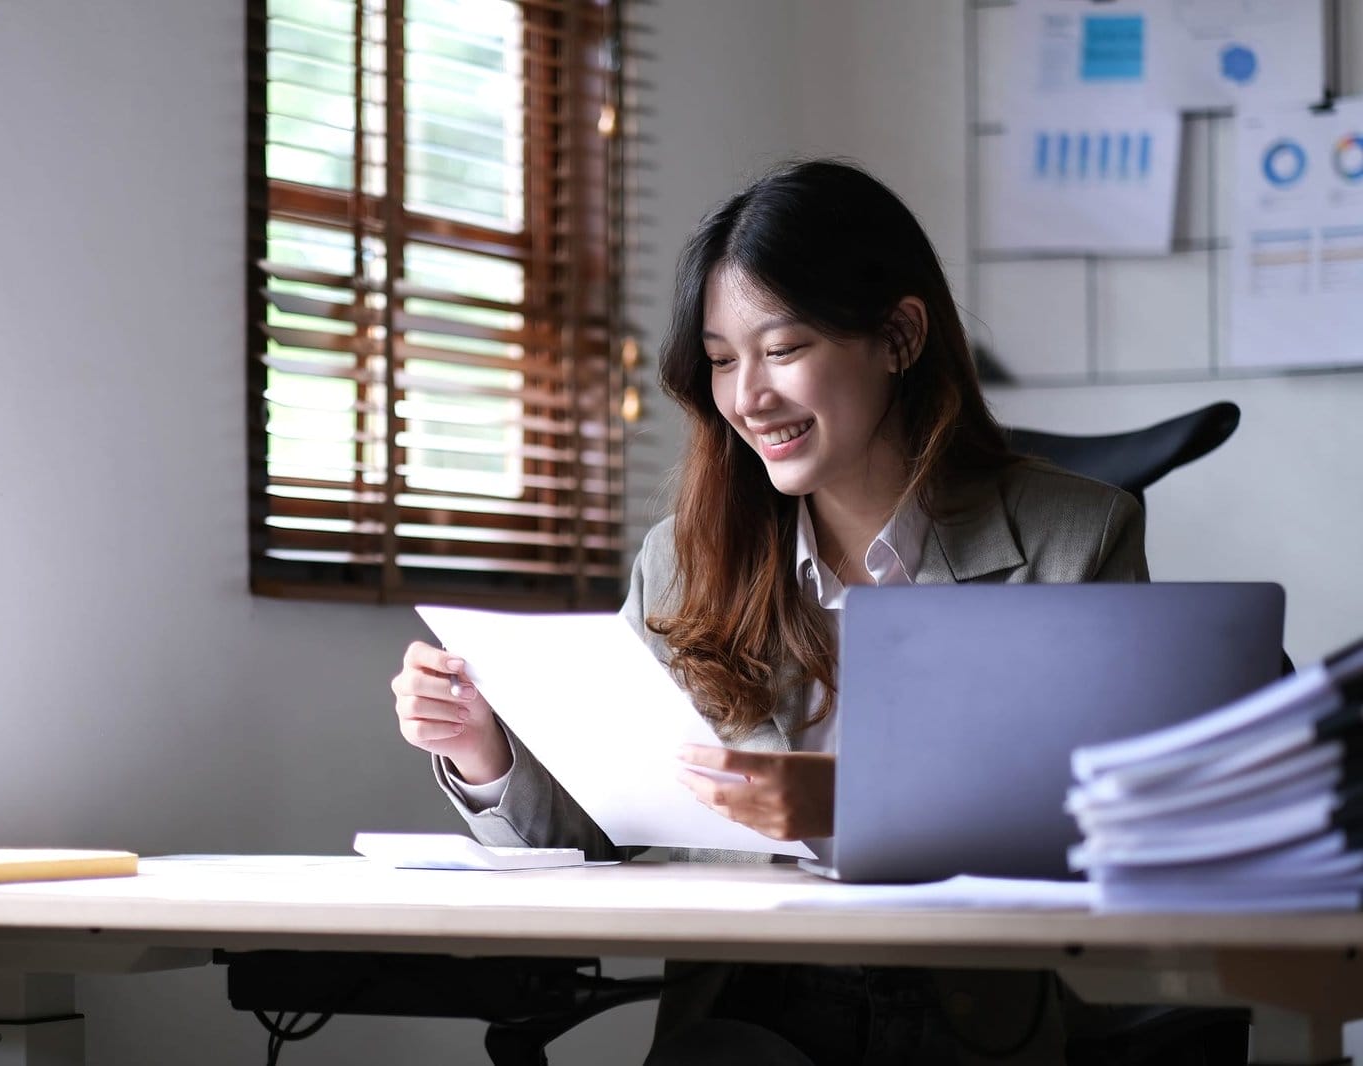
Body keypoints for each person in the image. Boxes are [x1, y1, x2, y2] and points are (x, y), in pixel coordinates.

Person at [390, 160, 1240, 1065]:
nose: (747, 397)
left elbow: (1112, 824)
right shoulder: (682, 560)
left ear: (899, 336)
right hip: (744, 1005)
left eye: (784, 349)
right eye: (723, 361)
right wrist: (482, 749)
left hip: (967, 1009)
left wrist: (854, 804)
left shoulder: (1079, 535)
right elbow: (598, 837)